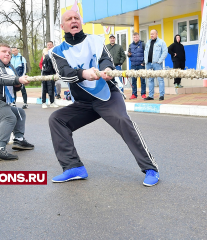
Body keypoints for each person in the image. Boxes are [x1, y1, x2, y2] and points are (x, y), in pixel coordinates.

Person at [49, 10, 159, 187]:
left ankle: (150, 168)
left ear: (81, 22)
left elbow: (105, 60)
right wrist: (84, 73)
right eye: (69, 19)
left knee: (122, 120)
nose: (74, 21)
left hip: (107, 95)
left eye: (76, 18)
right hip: (83, 103)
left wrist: (107, 70)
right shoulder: (56, 51)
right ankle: (73, 167)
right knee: (57, 119)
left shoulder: (95, 40)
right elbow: (64, 73)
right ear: (63, 26)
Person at [144, 29, 168, 101]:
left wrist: (159, 61)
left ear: (157, 34)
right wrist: (145, 61)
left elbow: (165, 52)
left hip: (157, 64)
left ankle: (161, 95)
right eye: (151, 34)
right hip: (148, 64)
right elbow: (145, 52)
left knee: (160, 80)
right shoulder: (148, 42)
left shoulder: (161, 42)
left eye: (153, 34)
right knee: (150, 80)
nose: (151, 35)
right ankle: (151, 96)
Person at [128, 32, 147, 99]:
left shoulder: (143, 44)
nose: (135, 38)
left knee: (143, 81)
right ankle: (134, 94)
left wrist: (144, 62)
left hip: (141, 65)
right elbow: (128, 54)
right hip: (133, 65)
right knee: (133, 81)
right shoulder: (130, 45)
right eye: (134, 37)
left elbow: (146, 54)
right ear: (133, 38)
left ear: (139, 37)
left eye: (136, 37)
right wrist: (128, 55)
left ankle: (143, 94)